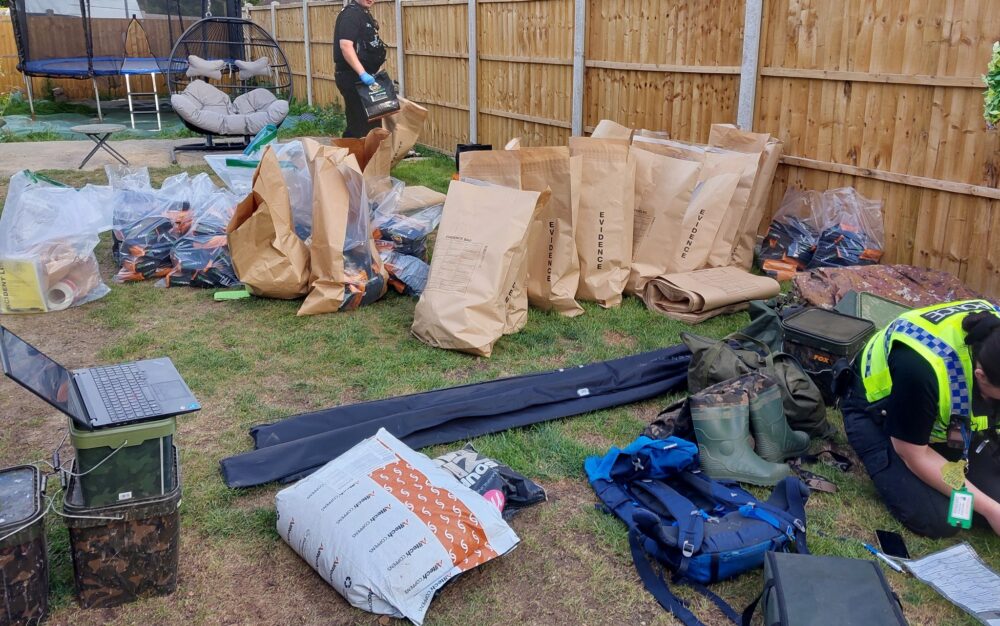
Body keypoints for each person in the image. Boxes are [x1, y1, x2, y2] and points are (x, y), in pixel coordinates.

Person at [842, 299, 1000, 538]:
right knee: (941, 519)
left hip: (940, 422)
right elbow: (913, 454)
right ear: (981, 377)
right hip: (878, 413)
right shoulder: (922, 369)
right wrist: (991, 511)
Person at [334, 0, 387, 138]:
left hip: (366, 76)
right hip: (353, 77)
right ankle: (351, 157)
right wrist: (362, 73)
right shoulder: (350, 15)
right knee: (359, 126)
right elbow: (345, 46)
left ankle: (371, 157)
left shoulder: (364, 14)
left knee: (372, 126)